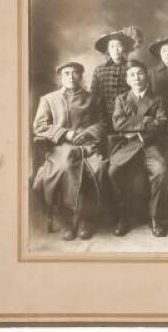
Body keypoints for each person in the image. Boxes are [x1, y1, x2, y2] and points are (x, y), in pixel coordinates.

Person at [33, 62, 106, 241]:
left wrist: (88, 133)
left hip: (88, 145)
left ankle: (86, 220)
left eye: (75, 73)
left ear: (81, 76)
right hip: (61, 146)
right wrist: (66, 134)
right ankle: (68, 221)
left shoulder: (93, 98)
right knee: (64, 168)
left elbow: (103, 123)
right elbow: (40, 126)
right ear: (61, 77)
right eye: (66, 73)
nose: (71, 76)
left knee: (100, 168)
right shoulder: (49, 99)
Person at [108, 59, 168, 237]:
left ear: (146, 76)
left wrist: (135, 130)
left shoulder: (157, 98)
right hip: (127, 145)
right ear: (128, 79)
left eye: (140, 73)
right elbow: (118, 123)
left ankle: (155, 218)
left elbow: (162, 122)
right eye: (132, 74)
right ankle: (123, 217)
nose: (137, 77)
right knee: (113, 171)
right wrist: (145, 121)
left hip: (151, 144)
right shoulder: (121, 99)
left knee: (161, 170)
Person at [90, 30, 135, 135]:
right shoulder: (99, 70)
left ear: (123, 48)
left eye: (119, 46)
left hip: (128, 116)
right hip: (104, 117)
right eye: (112, 46)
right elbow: (94, 95)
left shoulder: (132, 68)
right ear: (108, 50)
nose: (116, 50)